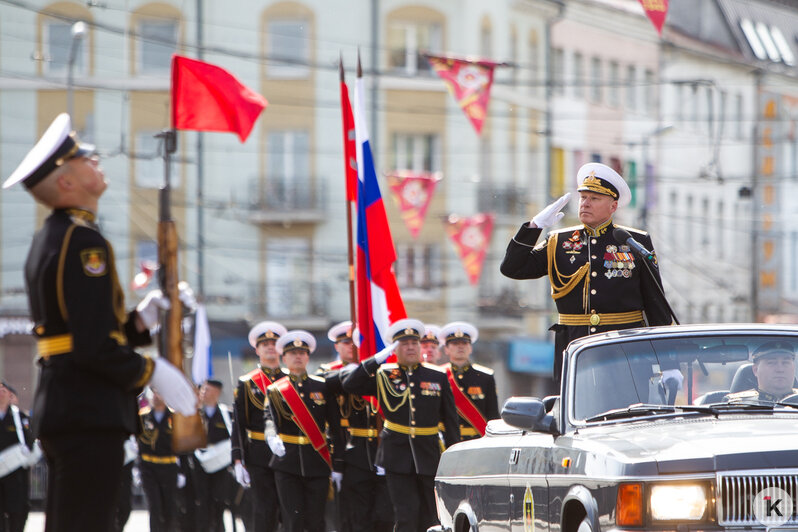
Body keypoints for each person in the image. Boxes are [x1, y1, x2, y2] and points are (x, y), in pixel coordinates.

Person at [2, 113, 197, 532]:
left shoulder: (53, 237)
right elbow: (91, 346)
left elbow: (81, 331)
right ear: (67, 181)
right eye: (86, 159)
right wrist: (151, 370)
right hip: (87, 407)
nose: (98, 162)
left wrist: (141, 322)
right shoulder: (83, 242)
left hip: (71, 402)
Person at [500, 162, 672, 384]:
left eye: (594, 198)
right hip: (575, 348)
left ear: (613, 206)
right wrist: (533, 227)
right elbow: (513, 268)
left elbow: (655, 303)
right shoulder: (558, 242)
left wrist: (667, 364)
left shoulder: (634, 241)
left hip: (625, 350)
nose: (586, 204)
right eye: (583, 197)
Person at [342, 318, 460, 532]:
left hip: (429, 453)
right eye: (404, 344)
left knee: (432, 515)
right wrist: (375, 360)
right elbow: (350, 384)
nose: (411, 347)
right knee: (406, 514)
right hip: (396, 455)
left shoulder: (437, 376)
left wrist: (455, 456)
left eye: (414, 343)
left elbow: (450, 420)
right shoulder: (384, 374)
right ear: (395, 349)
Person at [264, 330, 341, 532]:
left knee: (317, 520)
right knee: (292, 520)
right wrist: (271, 436)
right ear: (284, 357)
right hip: (287, 462)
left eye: (302, 353)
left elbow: (335, 426)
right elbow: (269, 418)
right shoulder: (276, 389)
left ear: (308, 356)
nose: (298, 356)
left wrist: (338, 463)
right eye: (293, 353)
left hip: (317, 461)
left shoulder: (322, 386)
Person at [319, 321, 392, 532]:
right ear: (337, 346)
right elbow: (323, 382)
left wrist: (363, 368)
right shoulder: (329, 371)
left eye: (356, 342)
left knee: (385, 514)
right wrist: (351, 372)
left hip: (382, 448)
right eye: (345, 342)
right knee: (355, 516)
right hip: (351, 451)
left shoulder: (379, 371)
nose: (351, 346)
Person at [231, 320, 287, 532]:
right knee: (263, 509)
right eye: (265, 344)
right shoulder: (248, 382)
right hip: (259, 454)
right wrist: (238, 459)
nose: (271, 347)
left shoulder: (290, 379)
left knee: (288, 508)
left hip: (287, 451)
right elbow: (239, 423)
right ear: (257, 350)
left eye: (274, 343)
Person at [439, 322, 499, 440]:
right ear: (446, 349)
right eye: (455, 343)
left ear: (470, 348)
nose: (460, 347)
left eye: (465, 343)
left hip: (477, 438)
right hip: (446, 439)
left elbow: (493, 414)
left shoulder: (485, 376)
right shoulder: (438, 375)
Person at [194, 379, 235, 532]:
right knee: (201, 501)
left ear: (217, 392)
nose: (204, 393)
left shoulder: (226, 414)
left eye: (208, 390)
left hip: (221, 465)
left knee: (219, 500)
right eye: (202, 390)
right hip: (200, 464)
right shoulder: (196, 413)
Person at [138, 390, 179, 532]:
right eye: (154, 393)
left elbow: (182, 445)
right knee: (154, 506)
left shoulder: (175, 417)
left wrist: (182, 470)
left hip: (169, 466)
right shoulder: (142, 416)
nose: (156, 397)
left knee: (169, 507)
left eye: (160, 393)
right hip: (149, 467)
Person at [0, 382, 34, 532]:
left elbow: (29, 442)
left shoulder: (20, 418)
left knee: (17, 510)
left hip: (15, 474)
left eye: (3, 390)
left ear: (10, 395)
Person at [726, 342, 798, 403]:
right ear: (756, 370)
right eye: (771, 363)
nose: (780, 369)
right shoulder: (737, 404)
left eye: (786, 363)